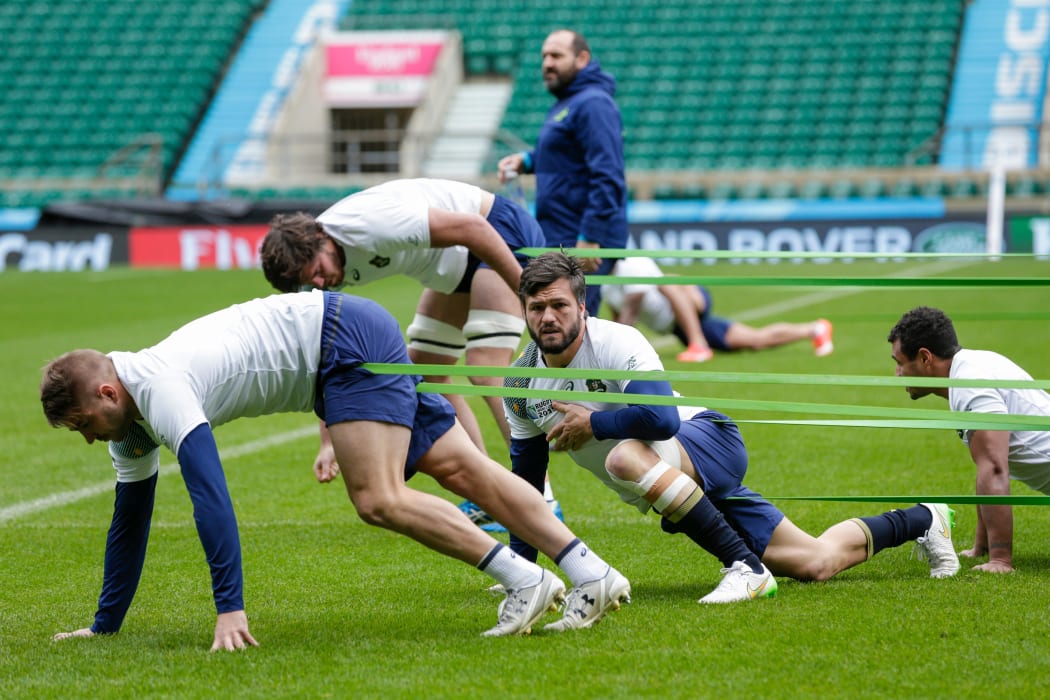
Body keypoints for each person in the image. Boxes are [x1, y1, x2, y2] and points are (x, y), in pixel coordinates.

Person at [40, 290, 631, 650]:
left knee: (378, 498)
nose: (90, 438)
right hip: (346, 333)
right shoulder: (128, 420)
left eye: (84, 422)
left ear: (108, 392)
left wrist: (230, 609)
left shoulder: (160, 389)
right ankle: (591, 570)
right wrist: (105, 625)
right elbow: (130, 523)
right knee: (461, 468)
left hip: (338, 342)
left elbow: (211, 499)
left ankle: (526, 581)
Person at [496, 253, 959, 607]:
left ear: (581, 305)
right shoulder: (520, 383)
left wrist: (593, 422)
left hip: (705, 437)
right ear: (524, 311)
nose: (548, 317)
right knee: (816, 562)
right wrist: (524, 572)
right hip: (674, 482)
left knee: (622, 457)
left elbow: (662, 420)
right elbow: (527, 482)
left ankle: (744, 568)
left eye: (559, 304)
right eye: (536, 307)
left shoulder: (616, 339)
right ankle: (925, 519)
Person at [260, 177, 564, 526]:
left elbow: (472, 227)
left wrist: (531, 299)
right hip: (454, 264)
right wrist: (327, 440)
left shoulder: (368, 225)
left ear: (320, 238)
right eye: (307, 282)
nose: (320, 283)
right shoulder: (321, 262)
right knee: (426, 374)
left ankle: (540, 500)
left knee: (486, 370)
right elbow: (332, 349)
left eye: (318, 272)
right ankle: (492, 496)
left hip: (496, 232)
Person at [888, 305, 1050, 574]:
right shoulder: (973, 366)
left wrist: (1000, 560)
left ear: (925, 358)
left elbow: (995, 468)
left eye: (899, 362)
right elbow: (985, 468)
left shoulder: (968, 383)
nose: (896, 374)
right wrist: (981, 547)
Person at [497, 29, 627, 317]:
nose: (547, 63)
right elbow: (567, 158)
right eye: (544, 56)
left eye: (556, 55)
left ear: (582, 59)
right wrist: (528, 161)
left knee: (570, 325)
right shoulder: (567, 103)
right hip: (563, 232)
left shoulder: (593, 103)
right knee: (564, 323)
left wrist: (590, 238)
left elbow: (608, 174)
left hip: (581, 234)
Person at [601, 256, 835, 362]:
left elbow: (629, 315)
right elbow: (619, 323)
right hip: (678, 327)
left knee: (667, 282)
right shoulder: (605, 286)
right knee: (754, 340)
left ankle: (698, 344)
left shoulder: (632, 264)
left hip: (693, 300)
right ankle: (815, 330)